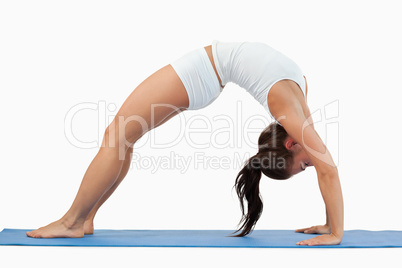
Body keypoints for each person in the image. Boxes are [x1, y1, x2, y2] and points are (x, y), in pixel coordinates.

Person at [26, 40, 343, 246]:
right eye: (303, 167)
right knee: (124, 138)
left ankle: (72, 221)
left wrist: (334, 232)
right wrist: (332, 228)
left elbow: (327, 170)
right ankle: (86, 217)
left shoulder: (292, 113)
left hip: (202, 74)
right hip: (206, 75)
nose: (311, 162)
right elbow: (328, 171)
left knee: (117, 136)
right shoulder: (299, 113)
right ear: (290, 146)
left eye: (304, 166)